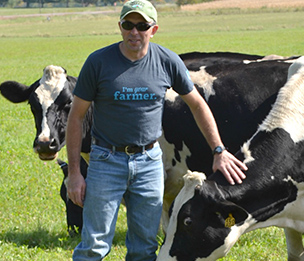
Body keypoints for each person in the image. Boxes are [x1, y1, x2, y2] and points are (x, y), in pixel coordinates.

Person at [66, 0, 247, 260]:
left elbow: (197, 105)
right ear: (120, 26)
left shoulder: (166, 61)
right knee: (94, 244)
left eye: (142, 26)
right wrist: (74, 173)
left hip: (149, 162)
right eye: (128, 25)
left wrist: (218, 149)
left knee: (144, 247)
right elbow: (76, 116)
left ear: (154, 29)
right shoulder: (98, 62)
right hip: (106, 160)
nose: (134, 32)